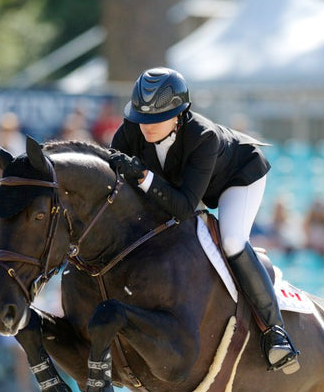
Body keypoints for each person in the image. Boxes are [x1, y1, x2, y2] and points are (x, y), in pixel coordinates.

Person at [110, 67, 299, 373]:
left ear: (179, 115)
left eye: (155, 119)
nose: (145, 126)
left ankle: (274, 332)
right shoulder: (131, 130)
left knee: (233, 240)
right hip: (185, 187)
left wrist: (143, 176)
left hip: (238, 178)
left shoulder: (203, 136)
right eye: (141, 117)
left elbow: (184, 207)